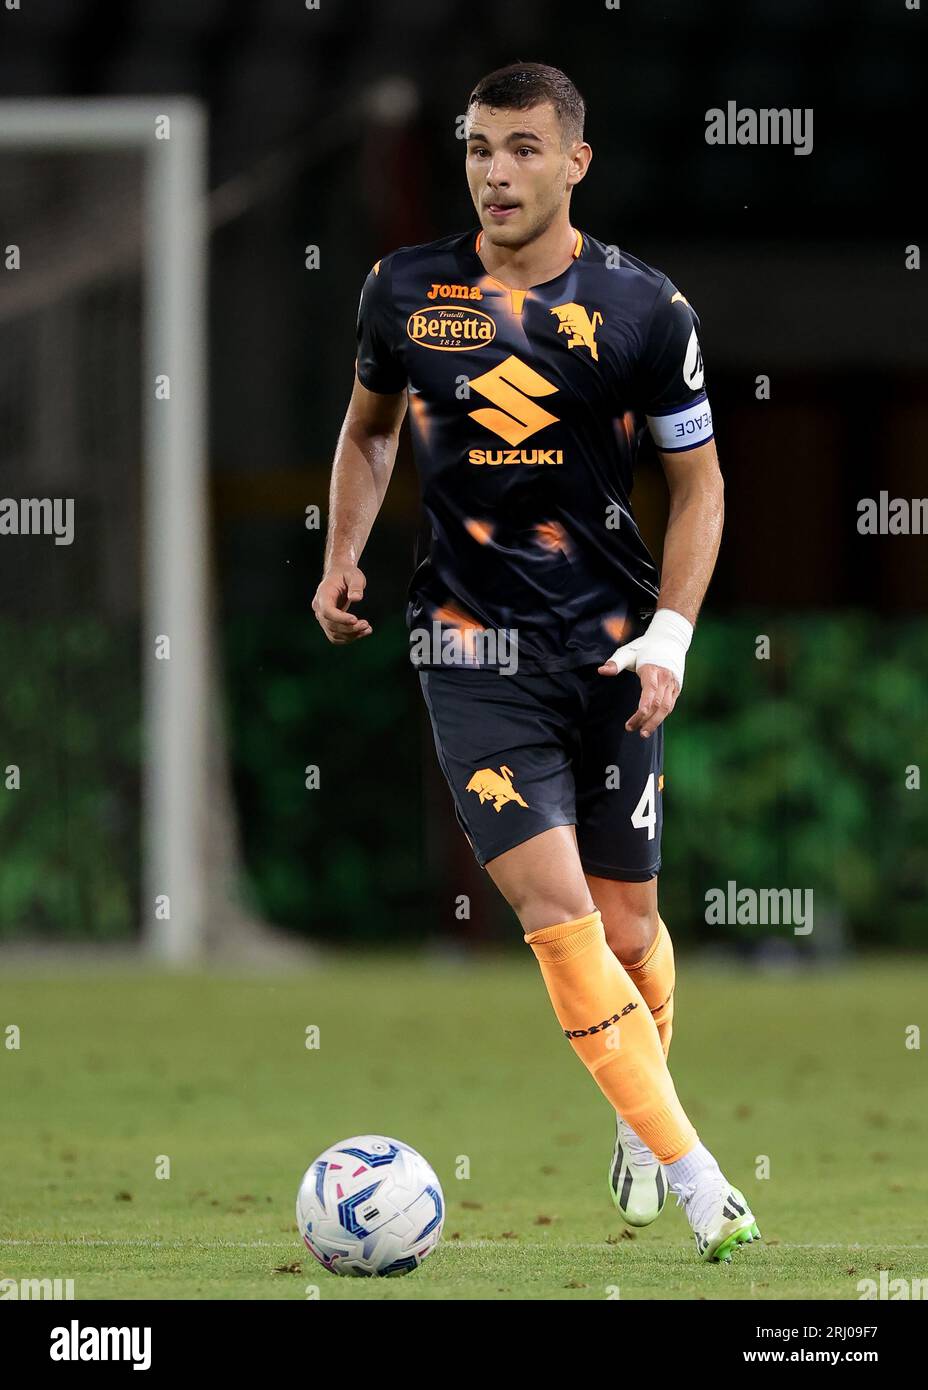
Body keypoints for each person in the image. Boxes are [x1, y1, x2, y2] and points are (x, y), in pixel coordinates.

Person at [314, 60, 759, 1263]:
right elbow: (365, 433)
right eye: (477, 150)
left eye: (521, 149)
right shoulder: (404, 291)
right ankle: (695, 1169)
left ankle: (635, 1101)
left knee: (627, 930)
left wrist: (669, 633)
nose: (495, 173)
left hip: (610, 649)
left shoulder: (644, 309)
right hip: (467, 651)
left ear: (574, 162)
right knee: (557, 916)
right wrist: (341, 551)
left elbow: (701, 483)